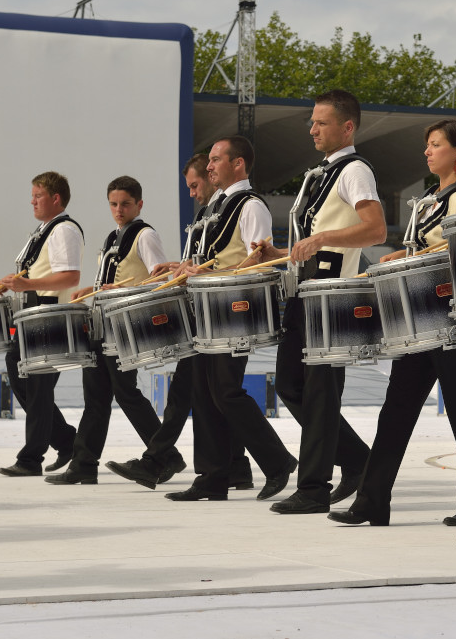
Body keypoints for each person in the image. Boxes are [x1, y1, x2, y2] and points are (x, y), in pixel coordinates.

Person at [329, 118, 456, 528]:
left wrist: (415, 258)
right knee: (395, 412)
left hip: (452, 321)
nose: (427, 151)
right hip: (417, 321)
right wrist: (399, 257)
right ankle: (372, 501)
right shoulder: (427, 201)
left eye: (436, 145)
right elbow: (420, 247)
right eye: (427, 145)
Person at [255, 89, 385, 515]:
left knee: (320, 393)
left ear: (347, 127)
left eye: (321, 122)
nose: (311, 129)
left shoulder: (355, 171)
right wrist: (277, 254)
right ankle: (356, 458)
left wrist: (324, 238)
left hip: (331, 294)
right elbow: (311, 239)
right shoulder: (321, 175)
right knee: (291, 384)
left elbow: (376, 230)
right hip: (304, 290)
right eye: (312, 121)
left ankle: (313, 487)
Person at [166, 136, 298, 502]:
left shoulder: (250, 205)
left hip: (235, 308)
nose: (208, 167)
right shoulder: (217, 207)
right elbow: (218, 255)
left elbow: (258, 258)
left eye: (215, 160)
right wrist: (184, 269)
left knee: (225, 391)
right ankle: (212, 476)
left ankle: (277, 461)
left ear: (238, 164)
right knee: (205, 393)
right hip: (208, 307)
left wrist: (209, 276)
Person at [104, 154, 248, 490]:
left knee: (200, 394)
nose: (191, 192)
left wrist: (181, 273)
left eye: (195, 184)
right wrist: (180, 267)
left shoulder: (230, 210)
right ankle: (235, 466)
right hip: (202, 312)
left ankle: (159, 460)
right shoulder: (207, 215)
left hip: (219, 312)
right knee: (204, 396)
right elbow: (199, 263)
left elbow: (241, 260)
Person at [45, 176, 172, 485]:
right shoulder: (112, 238)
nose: (119, 209)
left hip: (124, 328)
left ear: (139, 204)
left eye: (125, 204)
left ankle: (166, 455)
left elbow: (160, 279)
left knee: (125, 393)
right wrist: (94, 289)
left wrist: (125, 289)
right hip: (103, 324)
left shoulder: (144, 235)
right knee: (97, 396)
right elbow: (113, 278)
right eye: (113, 204)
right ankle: (84, 464)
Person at [0, 171, 82, 477]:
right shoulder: (44, 230)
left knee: (38, 388)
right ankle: (67, 440)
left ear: (55, 198)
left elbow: (70, 277)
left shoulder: (64, 230)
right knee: (27, 384)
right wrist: (15, 283)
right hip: (33, 316)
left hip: (50, 317)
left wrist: (27, 283)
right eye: (32, 195)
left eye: (38, 196)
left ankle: (31, 458)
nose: (32, 201)